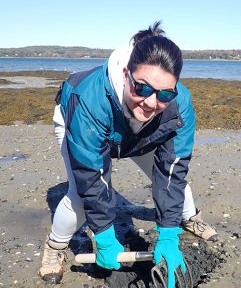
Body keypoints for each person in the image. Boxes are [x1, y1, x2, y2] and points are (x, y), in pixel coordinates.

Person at [39, 22, 219, 288]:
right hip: (82, 122)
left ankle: (188, 218)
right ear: (127, 74)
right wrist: (103, 234)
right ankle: (55, 246)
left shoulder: (177, 106)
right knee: (79, 196)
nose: (149, 101)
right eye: (142, 88)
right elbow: (91, 173)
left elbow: (173, 169)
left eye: (165, 93)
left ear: (175, 89)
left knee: (177, 185)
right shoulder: (89, 98)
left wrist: (168, 232)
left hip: (140, 132)